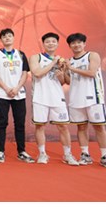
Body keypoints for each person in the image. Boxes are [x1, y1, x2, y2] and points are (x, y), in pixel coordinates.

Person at [65, 32, 106, 169]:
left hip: (93, 97)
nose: (76, 45)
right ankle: (85, 155)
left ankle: (105, 156)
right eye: (73, 43)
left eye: (79, 42)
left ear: (84, 43)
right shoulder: (69, 61)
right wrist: (63, 71)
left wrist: (71, 68)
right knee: (81, 127)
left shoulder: (92, 55)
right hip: (76, 98)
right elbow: (70, 81)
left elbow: (92, 73)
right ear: (70, 45)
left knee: (99, 127)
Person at [29, 33, 79, 165]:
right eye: (47, 41)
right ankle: (42, 154)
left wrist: (61, 76)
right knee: (40, 126)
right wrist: (53, 63)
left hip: (57, 97)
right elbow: (37, 73)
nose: (50, 43)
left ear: (57, 44)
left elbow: (66, 81)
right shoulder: (36, 57)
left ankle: (67, 155)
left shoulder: (61, 61)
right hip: (40, 97)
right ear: (43, 44)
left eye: (53, 41)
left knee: (63, 126)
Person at [0, 28, 34, 163]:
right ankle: (0, 152)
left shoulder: (20, 54)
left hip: (19, 94)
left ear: (13, 38)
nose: (7, 38)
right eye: (4, 36)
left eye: (9, 36)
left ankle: (21, 151)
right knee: (2, 123)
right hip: (2, 93)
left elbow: (25, 73)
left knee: (20, 123)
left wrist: (17, 88)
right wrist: (7, 88)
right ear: (1, 39)